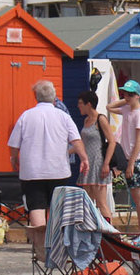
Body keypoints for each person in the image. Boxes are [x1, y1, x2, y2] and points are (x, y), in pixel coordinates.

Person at [8, 79, 90, 257]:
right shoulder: (63, 116)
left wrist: (14, 158)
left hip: (32, 171)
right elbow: (76, 141)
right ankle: (58, 246)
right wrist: (84, 159)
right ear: (54, 98)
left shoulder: (26, 116)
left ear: (36, 97)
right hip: (58, 169)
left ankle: (42, 249)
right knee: (57, 207)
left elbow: (14, 143)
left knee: (36, 206)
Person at [108, 79, 140, 233]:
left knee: (138, 196)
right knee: (136, 195)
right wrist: (125, 99)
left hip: (138, 158)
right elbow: (110, 107)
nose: (127, 97)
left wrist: (131, 163)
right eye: (126, 94)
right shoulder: (127, 109)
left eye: (131, 94)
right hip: (129, 157)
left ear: (138, 96)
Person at [76, 89, 118, 222]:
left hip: (98, 163)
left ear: (89, 104)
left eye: (81, 103)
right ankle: (92, 230)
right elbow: (83, 143)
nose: (78, 106)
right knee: (88, 202)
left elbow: (112, 142)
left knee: (101, 203)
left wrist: (106, 164)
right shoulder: (86, 121)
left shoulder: (101, 119)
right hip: (88, 164)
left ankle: (110, 232)